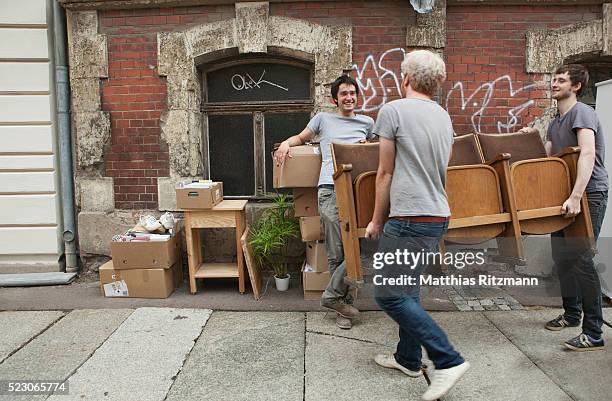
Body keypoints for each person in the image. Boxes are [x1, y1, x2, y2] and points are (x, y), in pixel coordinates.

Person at [365, 50, 469, 401]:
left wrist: (377, 220)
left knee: (389, 294)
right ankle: (408, 359)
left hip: (408, 217)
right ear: (435, 83)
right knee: (407, 290)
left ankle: (448, 359)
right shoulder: (443, 116)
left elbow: (385, 173)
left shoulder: (392, 110)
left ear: (405, 78)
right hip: (437, 215)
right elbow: (442, 167)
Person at [274, 75, 374, 330]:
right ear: (335, 98)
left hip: (359, 190)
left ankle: (334, 299)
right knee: (336, 250)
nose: (349, 97)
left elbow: (375, 151)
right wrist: (286, 143)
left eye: (352, 93)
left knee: (357, 249)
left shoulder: (367, 122)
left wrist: (369, 144)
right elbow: (301, 137)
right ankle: (343, 308)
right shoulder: (323, 119)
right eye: (343, 94)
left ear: (357, 96)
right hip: (330, 189)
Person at [520, 64, 608, 351]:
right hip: (565, 196)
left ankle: (594, 332)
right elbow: (544, 158)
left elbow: (588, 153)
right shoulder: (556, 120)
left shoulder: (582, 113)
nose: (554, 84)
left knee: (581, 259)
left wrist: (575, 196)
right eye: (554, 79)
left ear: (577, 86)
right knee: (562, 258)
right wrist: (527, 139)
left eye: (561, 80)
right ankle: (572, 315)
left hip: (588, 193)